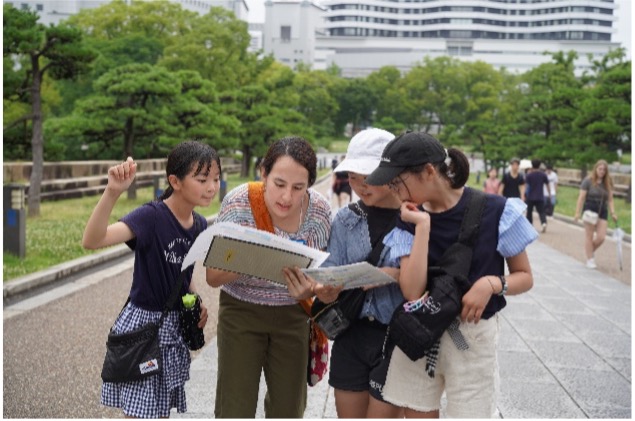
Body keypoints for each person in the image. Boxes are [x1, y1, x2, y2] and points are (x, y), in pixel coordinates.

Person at [365, 131, 537, 418]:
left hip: (472, 336)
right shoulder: (409, 218)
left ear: (428, 171)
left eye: (397, 181)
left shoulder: (496, 210)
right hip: (421, 331)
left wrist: (492, 284)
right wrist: (422, 226)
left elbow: (525, 276)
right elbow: (412, 291)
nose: (394, 191)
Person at [82, 141, 219, 418]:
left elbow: (184, 270)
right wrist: (112, 192)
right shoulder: (151, 217)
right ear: (175, 181)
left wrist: (195, 300)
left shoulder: (200, 224)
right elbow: (93, 240)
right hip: (145, 328)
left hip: (173, 328)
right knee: (141, 411)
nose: (211, 187)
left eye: (216, 179)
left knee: (159, 410)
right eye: (202, 179)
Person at [206, 136, 333, 418]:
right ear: (263, 173)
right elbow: (212, 276)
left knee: (289, 408)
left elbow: (322, 274)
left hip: (294, 314)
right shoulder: (238, 203)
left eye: (298, 188)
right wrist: (254, 259)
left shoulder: (320, 211)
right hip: (241, 312)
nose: (287, 197)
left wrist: (313, 288)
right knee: (234, 406)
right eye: (279, 184)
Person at [303, 128, 405, 418]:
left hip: (395, 336)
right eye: (353, 176)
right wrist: (324, 289)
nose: (360, 185)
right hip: (350, 334)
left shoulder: (413, 219)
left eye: (368, 176)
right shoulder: (345, 219)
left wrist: (396, 275)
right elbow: (330, 270)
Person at [574, 159, 618, 269]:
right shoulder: (588, 181)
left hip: (603, 210)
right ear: (596, 169)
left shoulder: (607, 182)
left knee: (601, 237)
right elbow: (581, 198)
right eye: (600, 169)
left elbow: (610, 199)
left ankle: (589, 250)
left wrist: (613, 212)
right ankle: (590, 259)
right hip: (590, 209)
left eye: (604, 170)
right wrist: (577, 212)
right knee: (589, 236)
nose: (602, 171)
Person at [525, 159, 550, 233]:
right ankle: (543, 223)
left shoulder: (529, 175)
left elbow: (526, 185)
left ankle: (529, 225)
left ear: (532, 165)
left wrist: (524, 194)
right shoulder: (543, 175)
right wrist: (549, 193)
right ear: (539, 165)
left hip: (530, 196)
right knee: (541, 211)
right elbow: (547, 184)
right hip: (540, 196)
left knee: (529, 212)